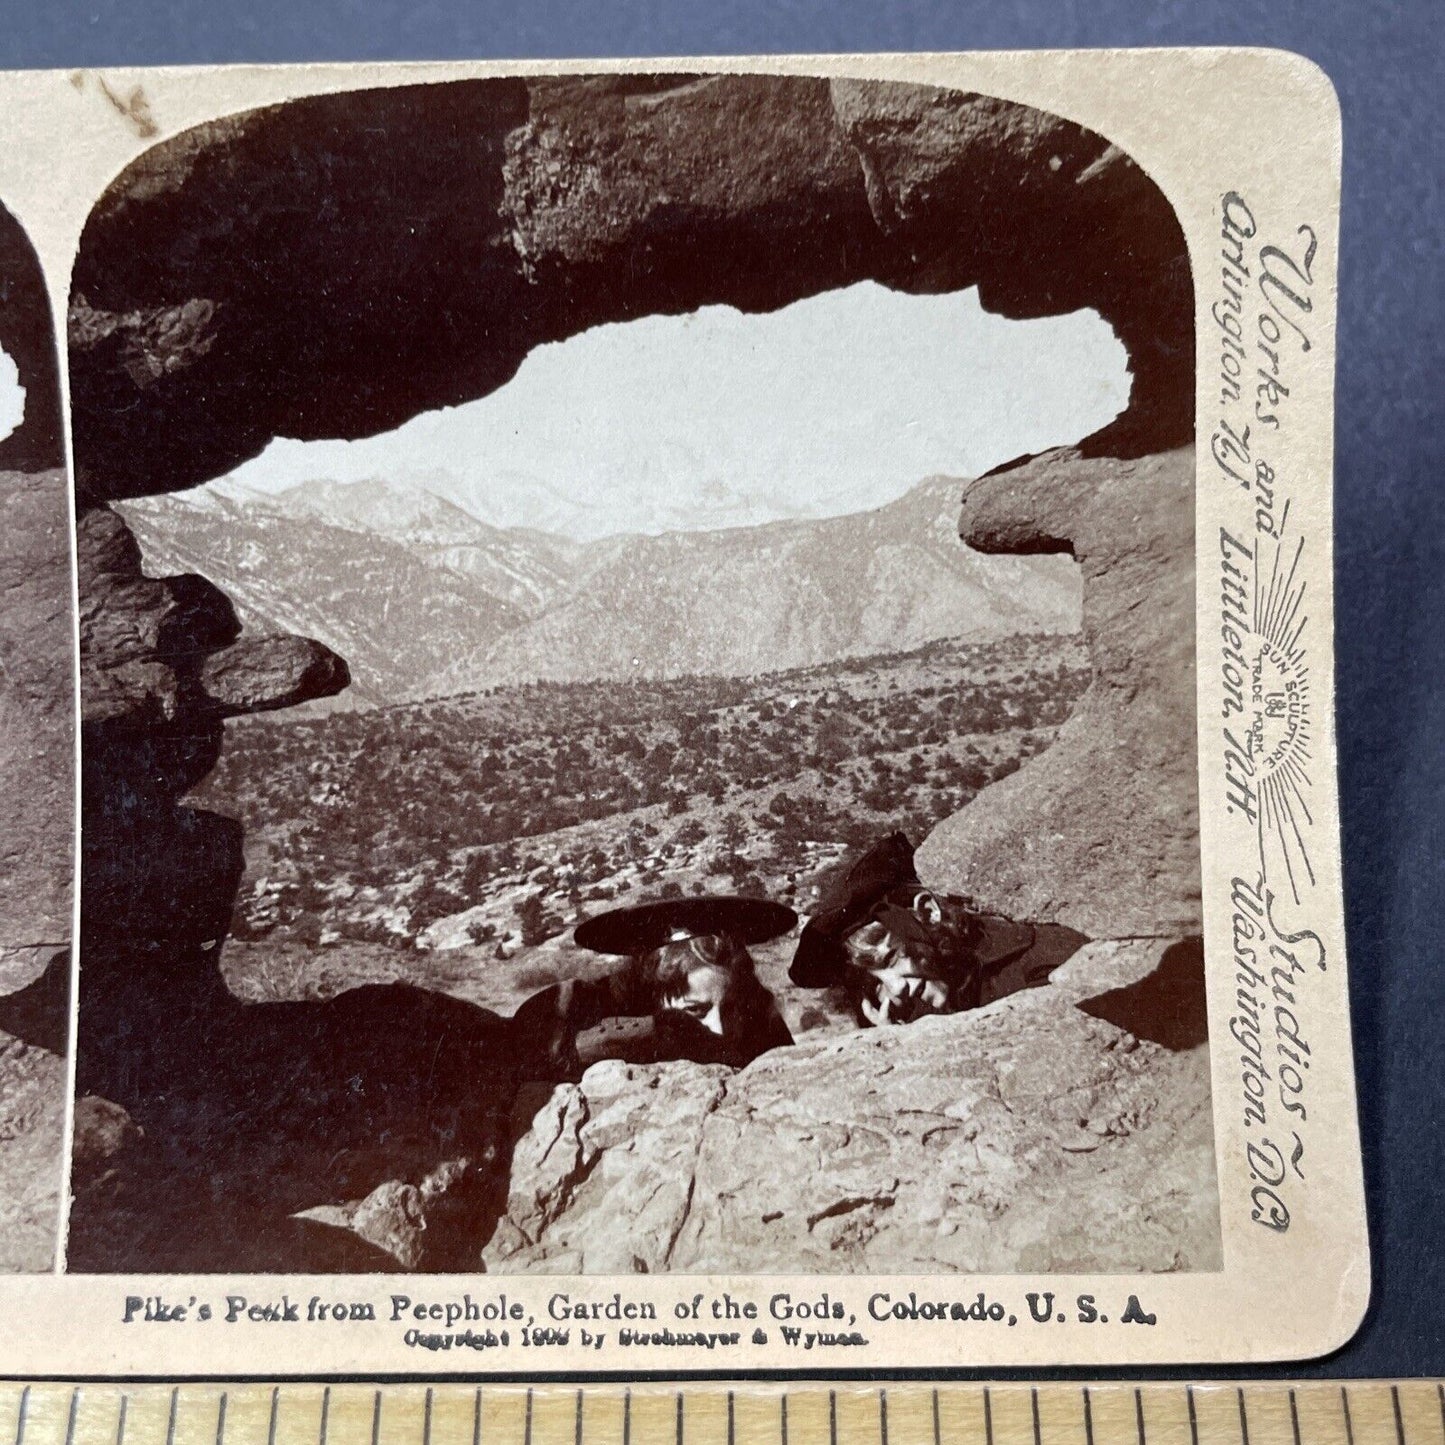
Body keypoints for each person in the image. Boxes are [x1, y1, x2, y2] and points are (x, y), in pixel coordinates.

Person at [789, 832, 1085, 1026]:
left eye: (891, 959)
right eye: (873, 983)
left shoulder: (1046, 964)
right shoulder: (905, 1015)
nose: (896, 987)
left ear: (928, 912)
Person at [531, 895, 797, 1069]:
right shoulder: (605, 1021)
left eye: (732, 1009)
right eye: (695, 1010)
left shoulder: (763, 1031)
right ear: (652, 996)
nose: (719, 1029)